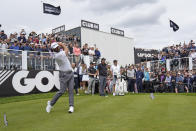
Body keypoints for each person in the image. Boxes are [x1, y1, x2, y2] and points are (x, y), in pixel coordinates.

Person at [46, 42, 74, 113]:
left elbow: (66, 51)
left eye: (57, 46)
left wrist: (59, 44)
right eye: (55, 47)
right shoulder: (58, 55)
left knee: (71, 91)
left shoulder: (60, 52)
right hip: (63, 75)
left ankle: (71, 106)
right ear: (53, 49)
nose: (57, 48)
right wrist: (61, 43)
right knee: (62, 91)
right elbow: (66, 50)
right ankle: (51, 104)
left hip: (70, 73)